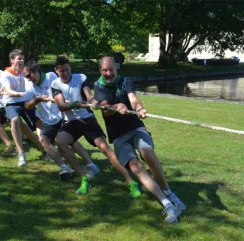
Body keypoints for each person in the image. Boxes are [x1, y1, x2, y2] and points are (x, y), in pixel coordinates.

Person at [93, 56, 186, 223]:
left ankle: (169, 193)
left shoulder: (125, 80)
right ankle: (167, 204)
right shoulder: (98, 85)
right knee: (135, 167)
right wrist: (116, 107)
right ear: (100, 71)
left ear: (116, 68)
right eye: (105, 70)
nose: (108, 73)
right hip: (118, 136)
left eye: (111, 69)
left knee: (148, 154)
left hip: (135, 127)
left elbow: (133, 99)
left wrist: (139, 108)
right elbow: (105, 110)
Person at [51, 55, 135, 196]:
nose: (65, 73)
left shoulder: (80, 78)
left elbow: (88, 94)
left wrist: (92, 100)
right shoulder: (55, 84)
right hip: (72, 122)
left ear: (70, 67)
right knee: (60, 141)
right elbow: (60, 105)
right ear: (56, 71)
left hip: (87, 119)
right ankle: (84, 179)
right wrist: (75, 104)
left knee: (105, 149)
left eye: (67, 70)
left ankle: (130, 181)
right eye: (61, 71)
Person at [23, 60, 100, 181]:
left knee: (72, 142)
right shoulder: (29, 86)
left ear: (36, 71)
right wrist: (38, 99)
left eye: (29, 75)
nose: (28, 79)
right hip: (48, 120)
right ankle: (65, 168)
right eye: (25, 76)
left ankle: (91, 165)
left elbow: (63, 90)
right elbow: (27, 106)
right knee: (44, 140)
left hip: (62, 116)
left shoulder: (51, 76)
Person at [0, 49, 44, 166]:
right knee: (15, 120)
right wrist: (20, 94)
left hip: (25, 101)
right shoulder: (5, 74)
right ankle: (21, 154)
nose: (21, 61)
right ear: (12, 60)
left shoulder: (24, 72)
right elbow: (9, 91)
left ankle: (45, 147)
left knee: (39, 123)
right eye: (19, 58)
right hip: (11, 103)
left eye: (22, 58)